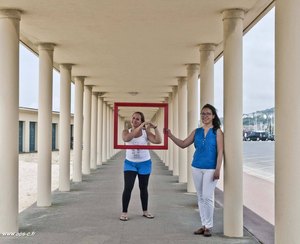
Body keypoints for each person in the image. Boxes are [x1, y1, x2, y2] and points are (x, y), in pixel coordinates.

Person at [166, 104, 223, 237]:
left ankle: (209, 226)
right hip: (196, 167)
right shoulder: (196, 131)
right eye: (203, 114)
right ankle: (204, 225)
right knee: (200, 197)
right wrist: (170, 135)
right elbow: (183, 144)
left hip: (210, 168)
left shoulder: (217, 132)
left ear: (213, 116)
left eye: (208, 113)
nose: (205, 116)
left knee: (208, 197)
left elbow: (220, 151)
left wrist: (218, 169)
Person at [120, 111, 162, 221]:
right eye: (133, 118)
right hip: (130, 163)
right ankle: (124, 212)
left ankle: (145, 211)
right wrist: (140, 127)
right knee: (128, 187)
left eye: (137, 119)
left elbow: (158, 141)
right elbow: (127, 139)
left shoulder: (145, 133)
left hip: (144, 163)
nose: (134, 120)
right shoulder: (126, 131)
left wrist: (155, 128)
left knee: (143, 188)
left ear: (142, 121)